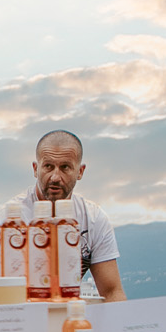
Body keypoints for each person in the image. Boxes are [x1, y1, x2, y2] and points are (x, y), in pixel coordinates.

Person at [18, 129, 126, 301]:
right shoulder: (12, 220)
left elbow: (112, 291)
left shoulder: (94, 219)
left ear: (80, 171)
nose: (55, 177)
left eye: (65, 167)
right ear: (35, 168)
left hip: (72, 317)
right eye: (48, 166)